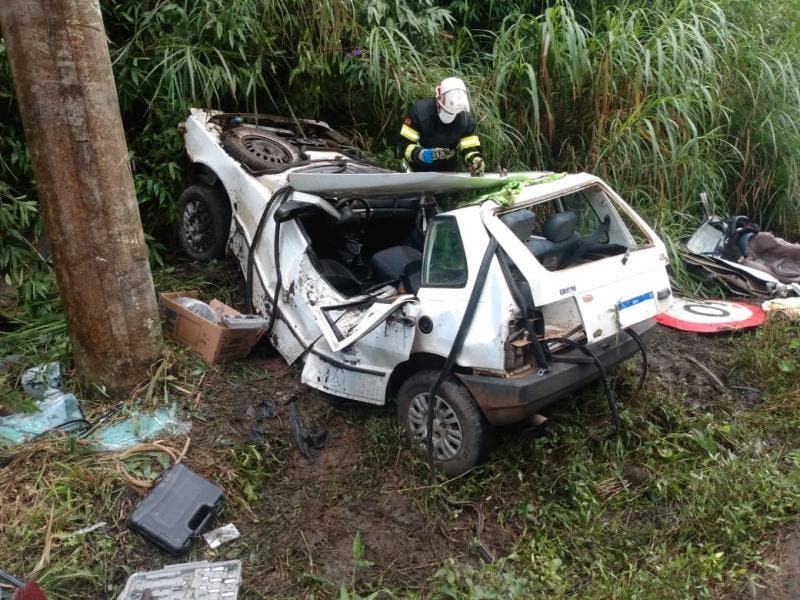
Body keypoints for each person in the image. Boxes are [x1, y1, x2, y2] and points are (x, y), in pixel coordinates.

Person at [398, 77, 486, 176]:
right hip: (417, 170)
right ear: (438, 100)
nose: (450, 116)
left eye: (454, 114)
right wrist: (419, 154)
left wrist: (476, 159)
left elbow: (469, 146)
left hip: (447, 172)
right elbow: (404, 145)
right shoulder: (420, 112)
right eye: (446, 112)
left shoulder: (464, 119)